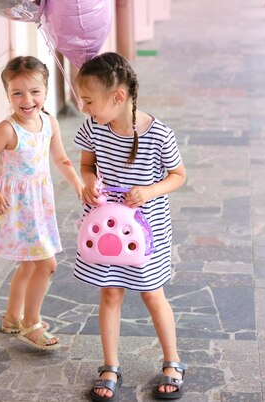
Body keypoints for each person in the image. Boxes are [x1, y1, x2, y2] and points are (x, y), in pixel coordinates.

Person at [74, 52, 187, 400]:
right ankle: (110, 365)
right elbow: (87, 166)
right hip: (105, 225)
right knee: (109, 292)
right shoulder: (93, 127)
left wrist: (150, 190)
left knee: (153, 293)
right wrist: (88, 183)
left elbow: (179, 176)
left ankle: (172, 361)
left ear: (118, 97)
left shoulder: (159, 134)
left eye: (89, 100)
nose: (84, 107)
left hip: (145, 230)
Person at [0, 55, 83, 351]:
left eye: (35, 91)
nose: (27, 100)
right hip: (18, 208)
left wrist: (76, 182)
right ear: (8, 95)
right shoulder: (8, 129)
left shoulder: (49, 122)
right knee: (46, 264)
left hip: (40, 204)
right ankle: (31, 323)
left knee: (27, 265)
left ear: (46, 90)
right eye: (18, 93)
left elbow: (60, 158)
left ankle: (12, 317)